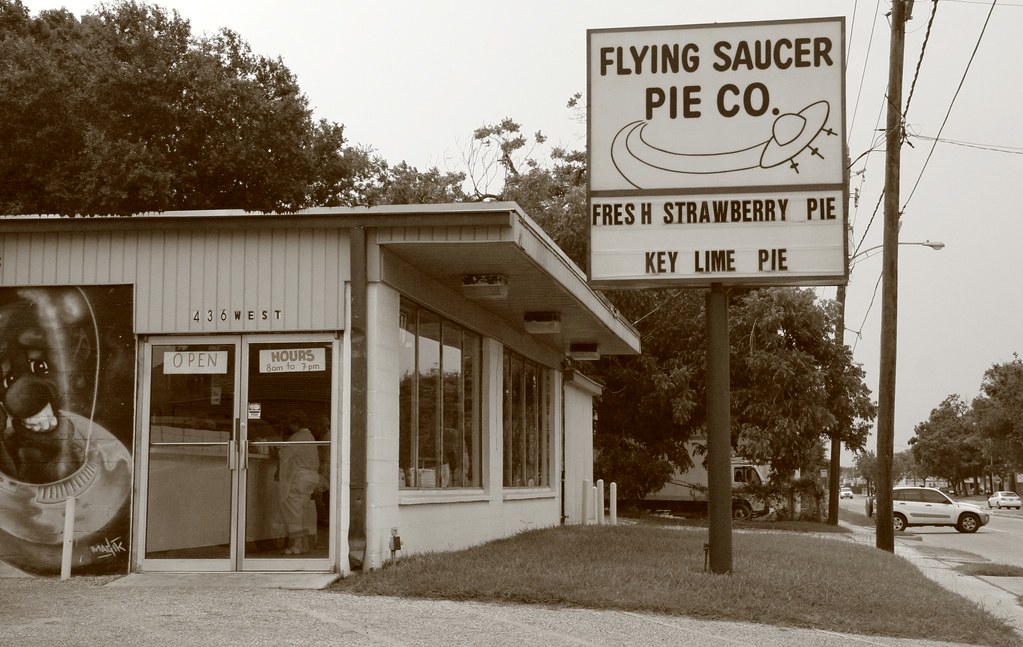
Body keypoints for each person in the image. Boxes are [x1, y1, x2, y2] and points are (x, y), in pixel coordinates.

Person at [277, 412, 319, 555]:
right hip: (311, 477)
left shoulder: (297, 437)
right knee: (302, 510)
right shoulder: (310, 436)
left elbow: (283, 455)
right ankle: (304, 544)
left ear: (295, 423)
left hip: (299, 477)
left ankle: (297, 545)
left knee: (293, 510)